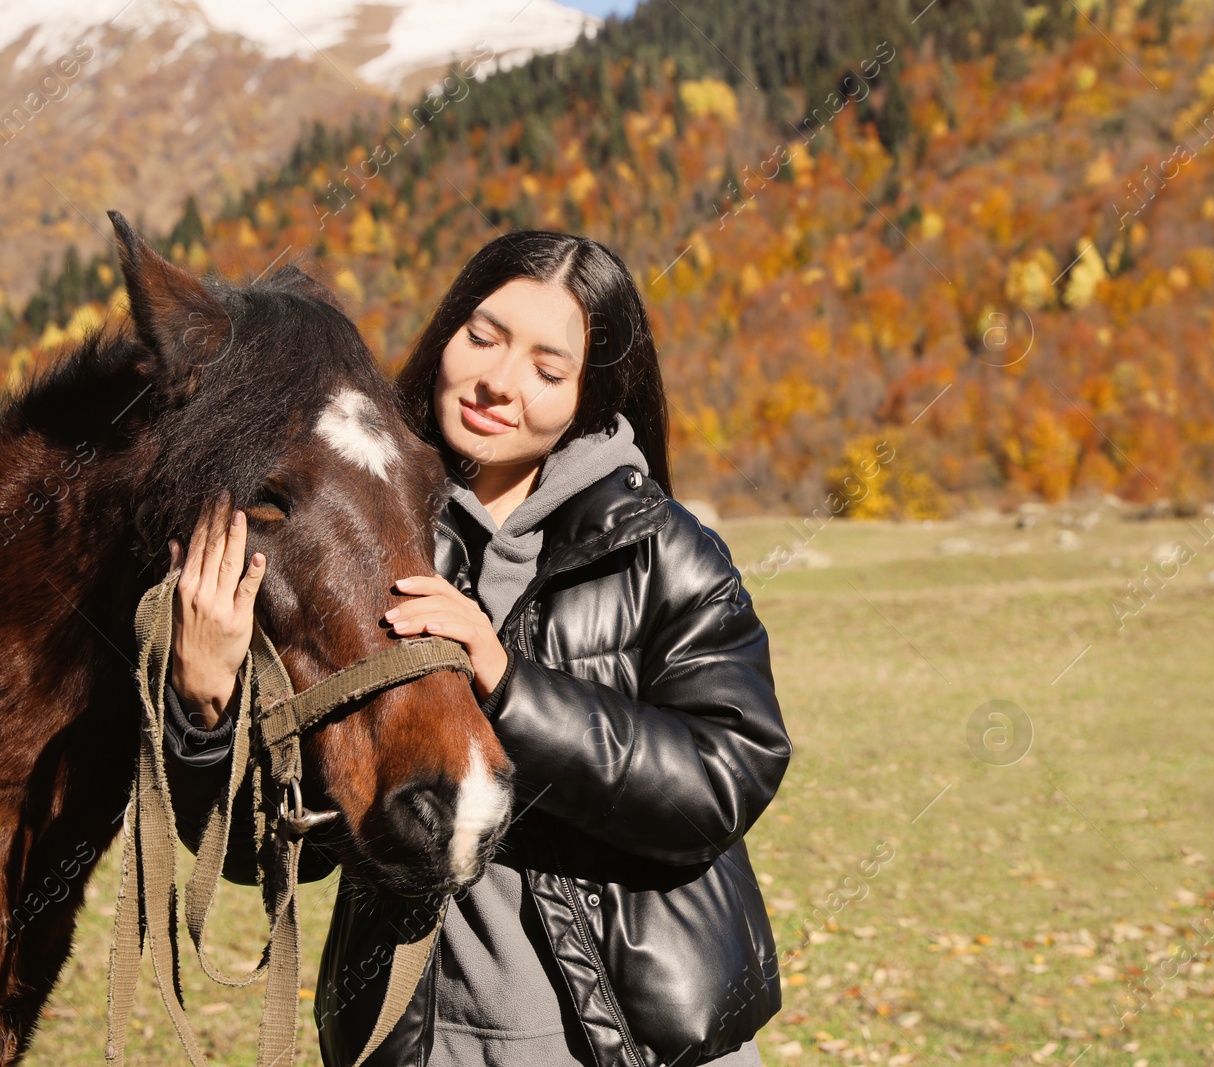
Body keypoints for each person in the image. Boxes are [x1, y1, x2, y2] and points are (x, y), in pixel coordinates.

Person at [161, 230, 791, 1067]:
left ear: (590, 395)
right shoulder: (357, 538)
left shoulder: (661, 548)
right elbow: (279, 849)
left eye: (547, 367)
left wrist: (508, 683)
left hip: (638, 1045)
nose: (500, 381)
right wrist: (203, 711)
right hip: (420, 1048)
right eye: (483, 336)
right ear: (447, 332)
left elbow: (721, 780)